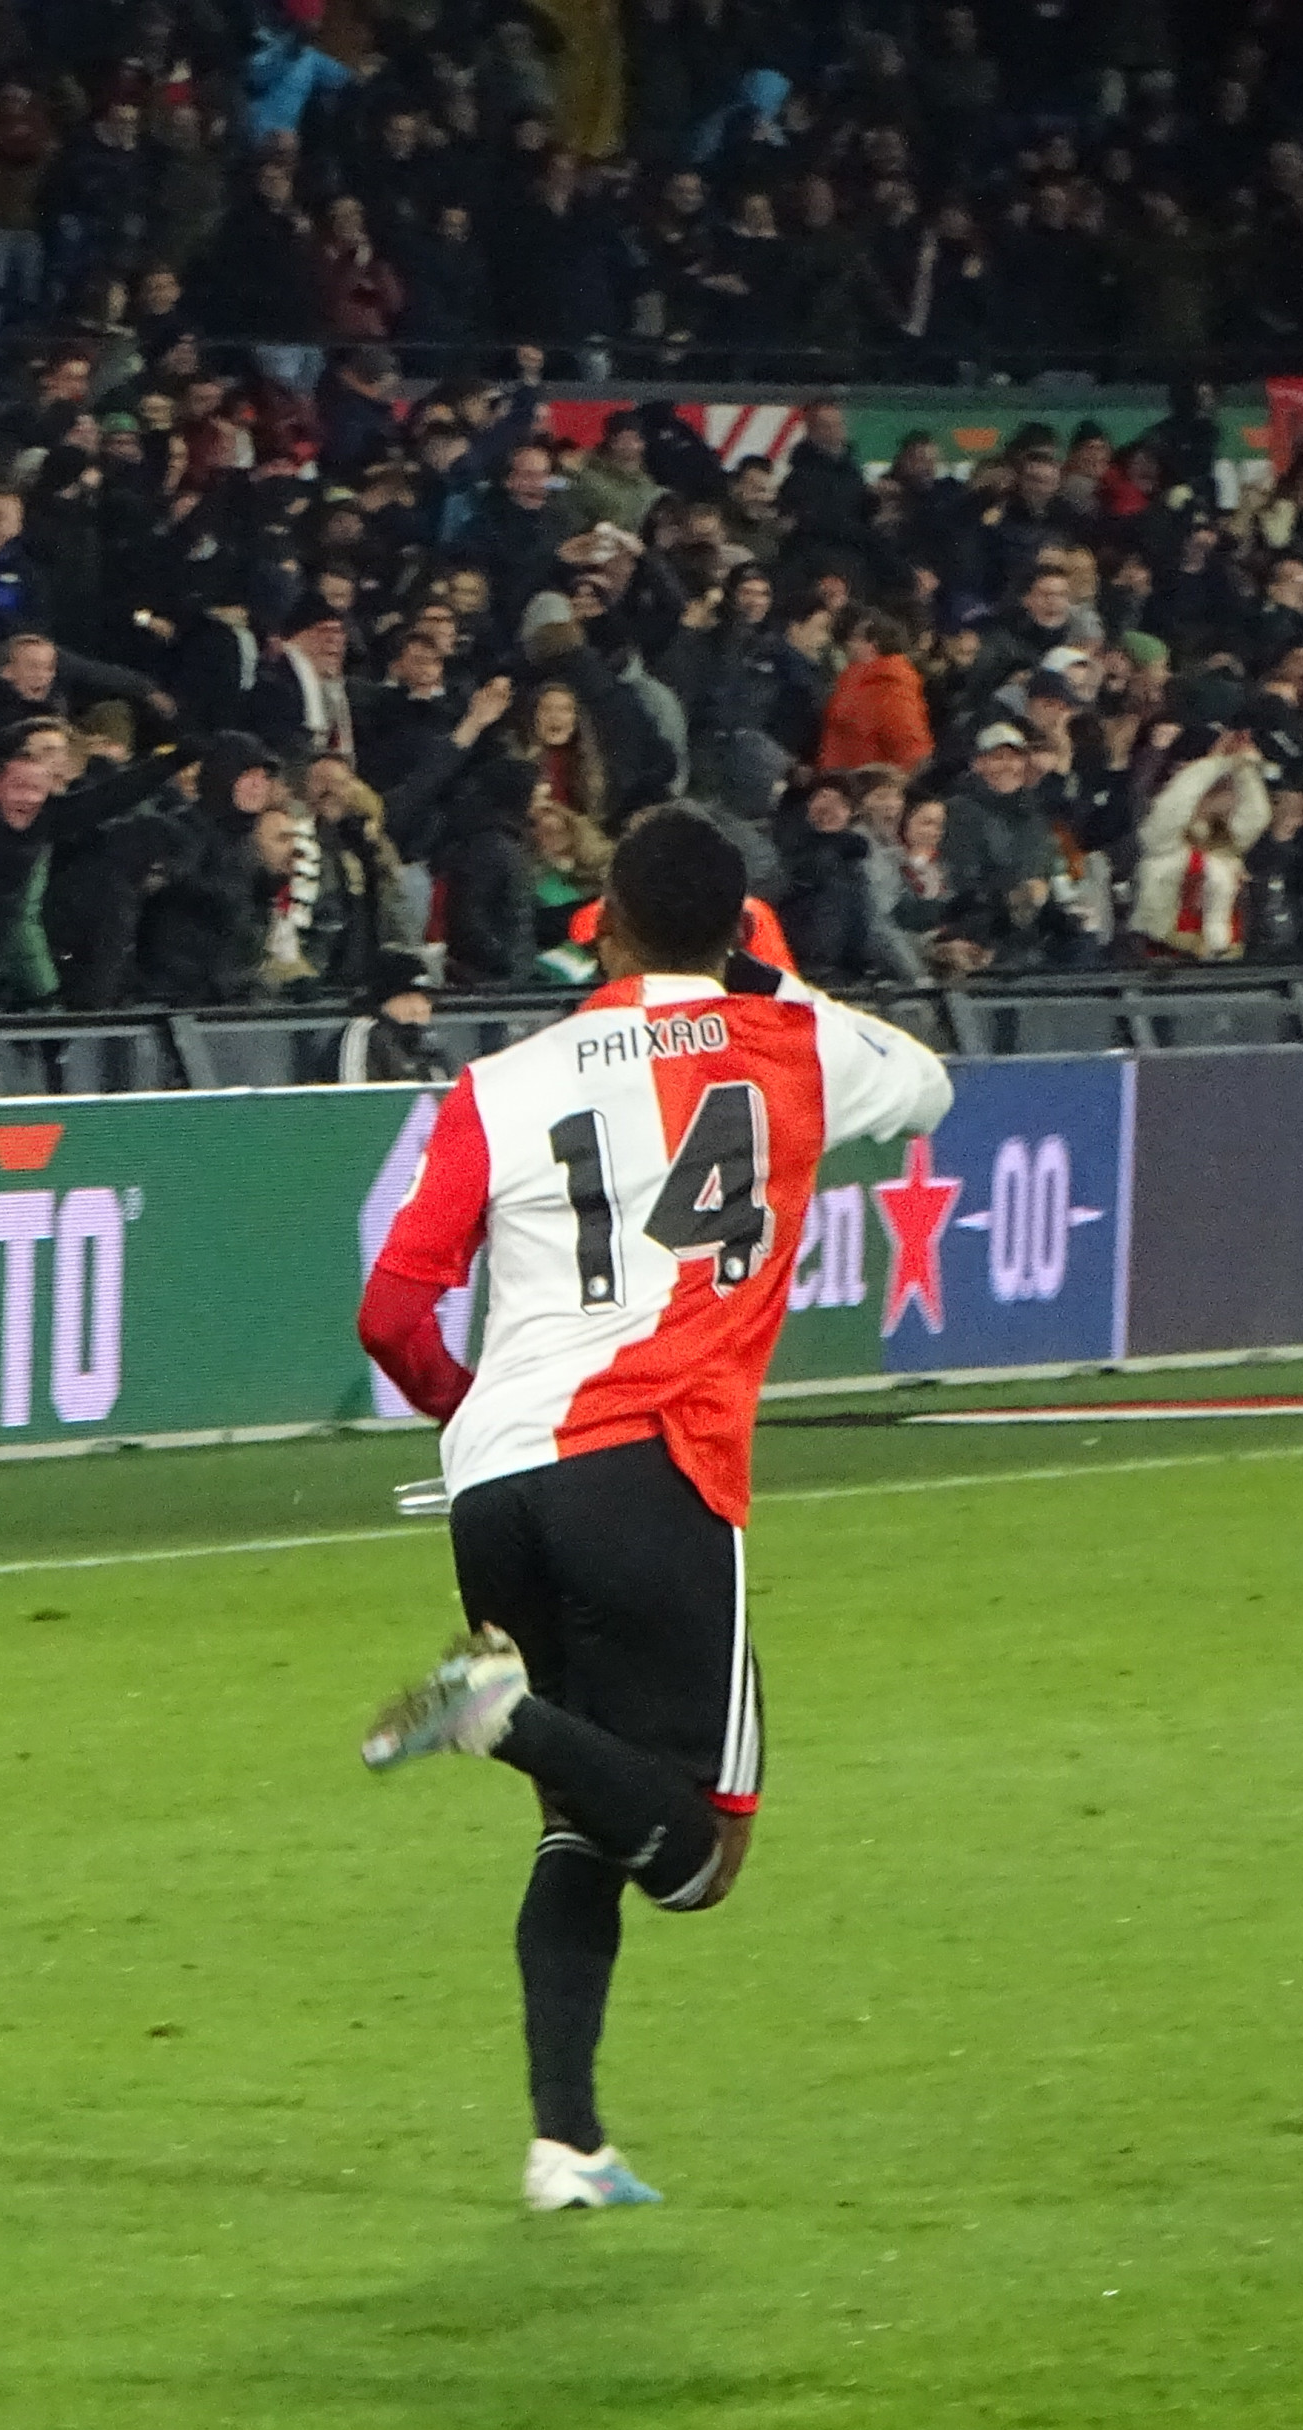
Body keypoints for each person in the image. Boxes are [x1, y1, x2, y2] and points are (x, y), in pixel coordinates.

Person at [351, 806, 953, 2214]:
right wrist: (772, 980)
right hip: (657, 1460)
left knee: (582, 1825)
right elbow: (928, 1088)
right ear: (741, 932)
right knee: (693, 1858)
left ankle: (567, 2145)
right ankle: (490, 1715)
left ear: (606, 923)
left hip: (497, 1472)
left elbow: (392, 1306)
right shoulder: (791, 1044)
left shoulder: (499, 1079)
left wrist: (466, 1412)